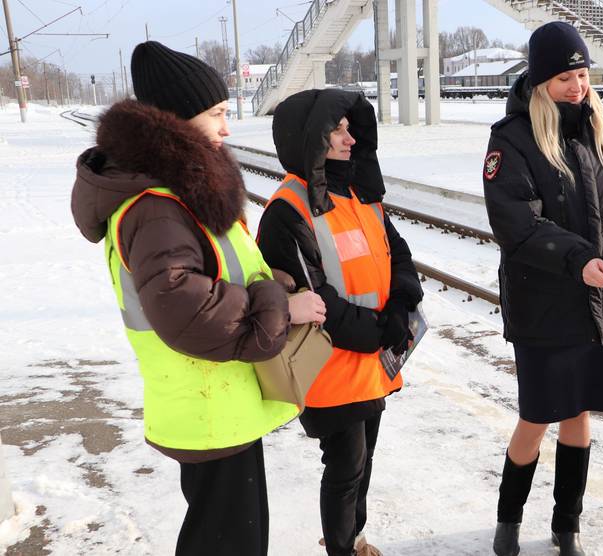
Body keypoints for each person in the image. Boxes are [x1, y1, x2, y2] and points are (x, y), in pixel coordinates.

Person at [70, 41, 326, 555]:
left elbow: (208, 271)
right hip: (209, 405)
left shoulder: (176, 194)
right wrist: (281, 305)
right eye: (217, 114)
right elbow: (187, 307)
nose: (227, 128)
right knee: (228, 543)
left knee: (233, 536)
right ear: (177, 126)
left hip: (218, 400)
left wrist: (266, 275)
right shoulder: (157, 207)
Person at [482, 21, 603, 556]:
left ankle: (566, 525)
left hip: (599, 301)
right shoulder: (512, 140)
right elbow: (517, 225)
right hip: (542, 304)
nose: (576, 86)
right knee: (536, 415)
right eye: (563, 77)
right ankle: (508, 522)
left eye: (581, 73)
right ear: (539, 83)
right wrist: (579, 259)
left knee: (579, 414)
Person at [256, 88, 423, 556]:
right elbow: (313, 297)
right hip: (330, 363)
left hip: (372, 360)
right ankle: (342, 549)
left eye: (351, 128)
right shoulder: (289, 210)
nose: (350, 138)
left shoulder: (358, 194)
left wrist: (402, 305)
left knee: (363, 460)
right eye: (338, 129)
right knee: (346, 465)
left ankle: (355, 538)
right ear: (311, 138)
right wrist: (379, 331)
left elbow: (399, 255)